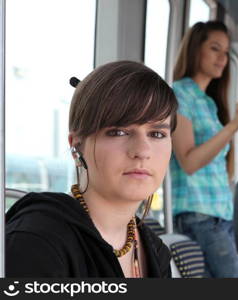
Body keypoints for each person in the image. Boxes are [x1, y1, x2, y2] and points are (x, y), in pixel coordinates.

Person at [6, 61, 177, 278]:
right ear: (77, 145)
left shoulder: (155, 251)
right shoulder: (35, 241)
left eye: (157, 134)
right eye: (119, 132)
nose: (142, 150)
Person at [170, 21, 238, 278]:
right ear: (195, 49)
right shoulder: (179, 94)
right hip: (199, 216)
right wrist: (234, 125)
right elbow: (188, 162)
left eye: (226, 52)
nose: (222, 58)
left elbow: (220, 166)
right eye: (215, 49)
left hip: (219, 215)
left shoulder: (208, 102)